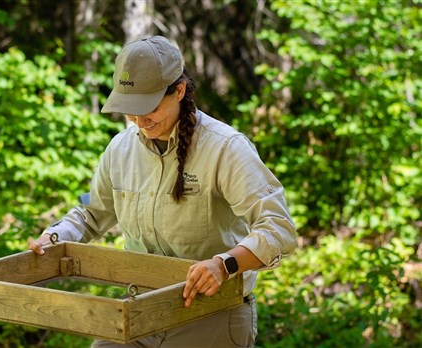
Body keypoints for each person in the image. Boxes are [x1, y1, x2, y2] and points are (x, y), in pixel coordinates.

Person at [28, 35, 296, 347]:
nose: (139, 120)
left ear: (179, 91)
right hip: (139, 312)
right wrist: (54, 237)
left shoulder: (225, 148)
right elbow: (90, 210)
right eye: (130, 109)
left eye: (148, 107)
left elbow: (278, 228)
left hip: (210, 317)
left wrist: (224, 265)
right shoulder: (120, 149)